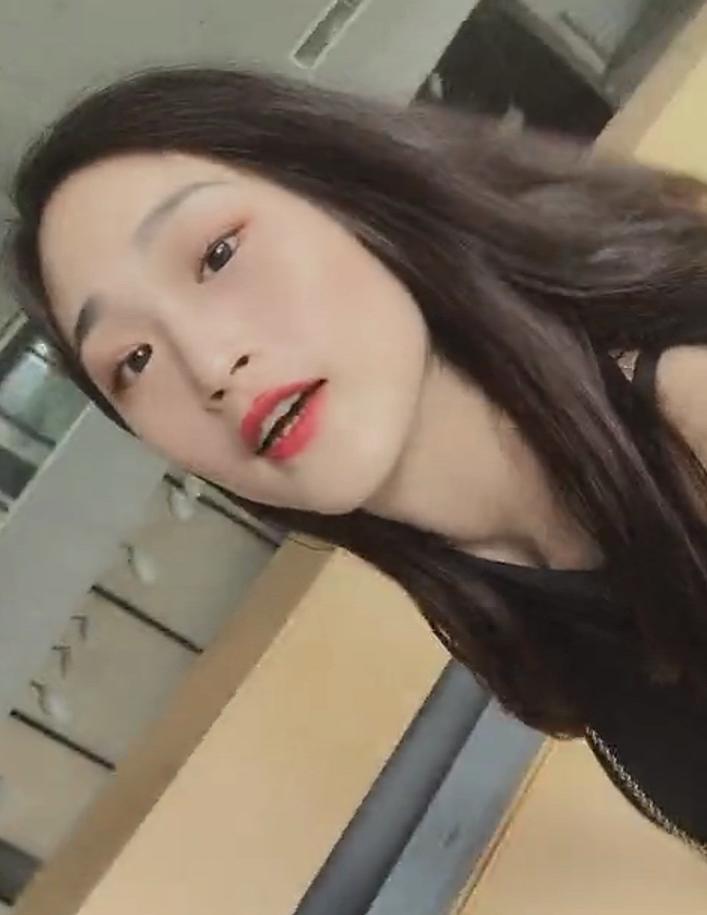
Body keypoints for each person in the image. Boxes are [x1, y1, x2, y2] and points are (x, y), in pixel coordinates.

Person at [8, 66, 707, 853]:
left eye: (217, 254)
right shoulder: (490, 581)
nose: (208, 364)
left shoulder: (689, 414)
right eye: (133, 360)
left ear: (353, 196)